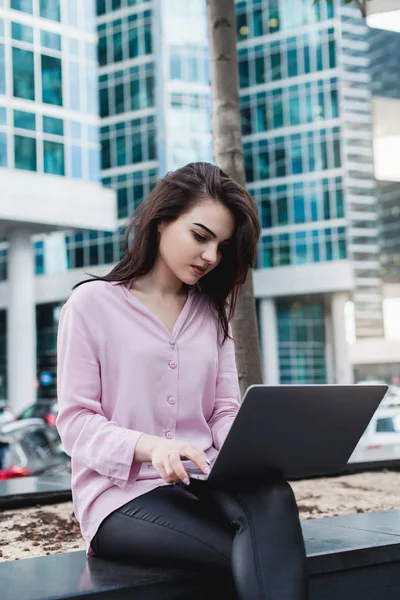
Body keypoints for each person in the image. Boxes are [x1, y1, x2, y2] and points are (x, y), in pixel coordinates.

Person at [56, 162, 308, 600]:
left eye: (222, 246)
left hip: (203, 479)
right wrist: (154, 447)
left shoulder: (211, 314)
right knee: (253, 552)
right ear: (160, 222)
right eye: (200, 236)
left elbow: (222, 411)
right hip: (122, 497)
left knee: (274, 497)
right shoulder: (90, 304)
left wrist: (256, 444)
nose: (211, 256)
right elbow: (76, 422)